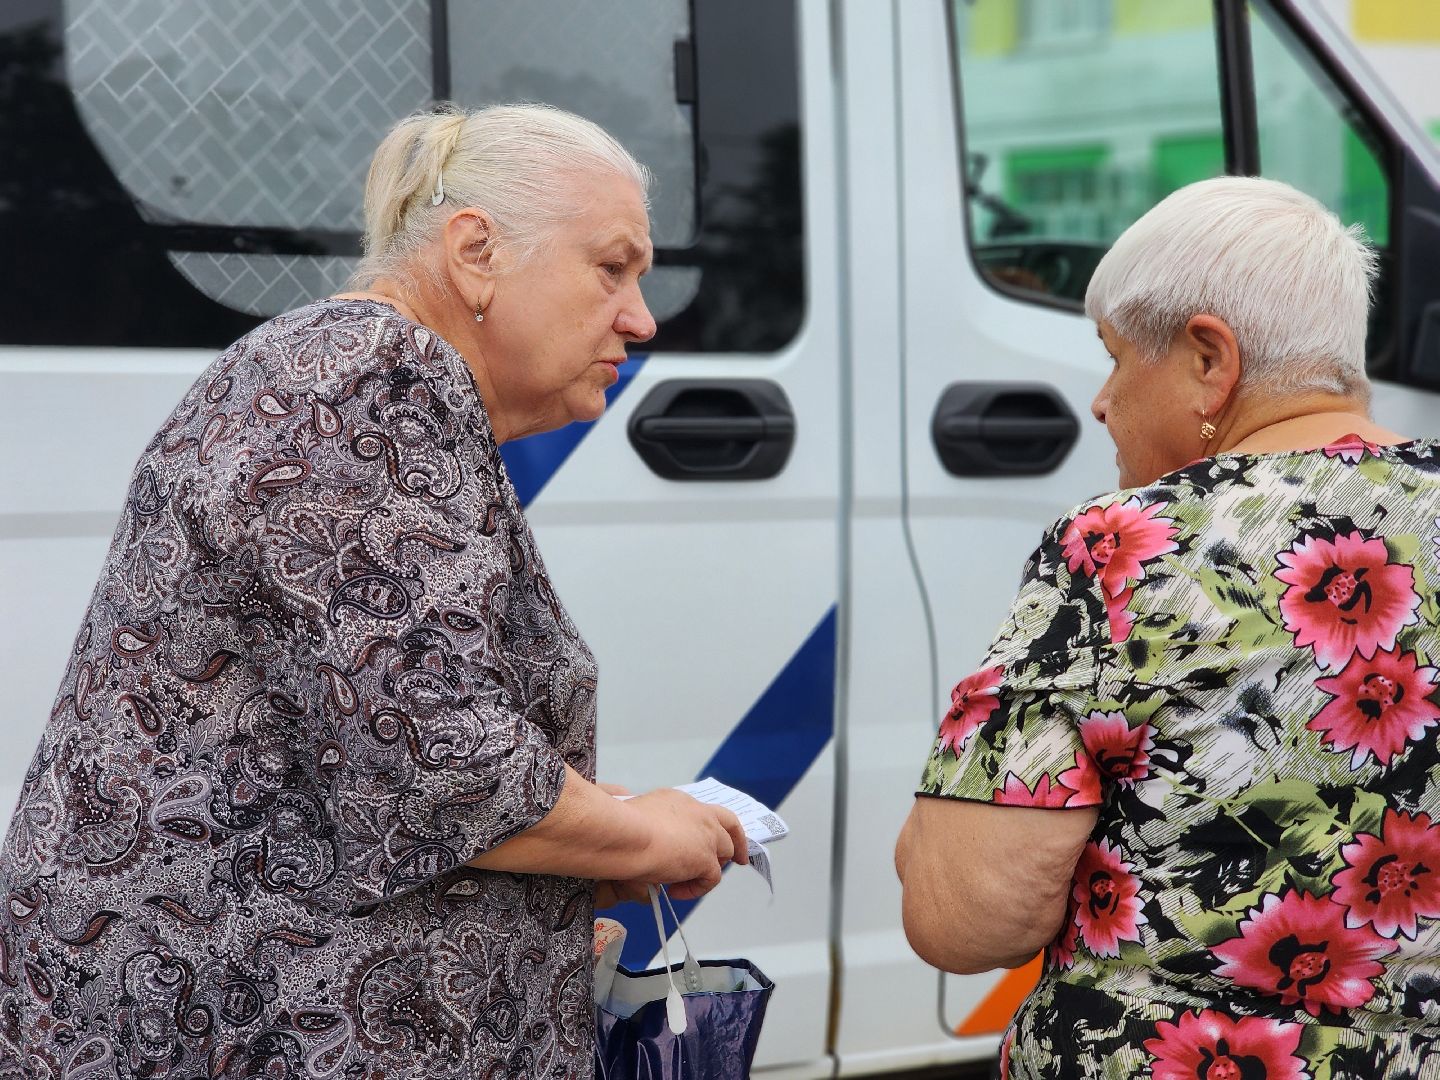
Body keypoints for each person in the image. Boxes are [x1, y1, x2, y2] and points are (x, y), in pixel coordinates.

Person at [0, 103, 748, 1079]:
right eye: (612, 268)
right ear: (476, 251)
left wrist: (583, 827)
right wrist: (643, 834)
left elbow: (352, 746)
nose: (642, 318)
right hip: (243, 1029)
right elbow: (441, 765)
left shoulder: (361, 375)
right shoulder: (369, 380)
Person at [895, 176, 1440, 1078]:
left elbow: (967, 917)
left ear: (1209, 360)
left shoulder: (1126, 548)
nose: (1103, 401)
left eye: (1114, 357)